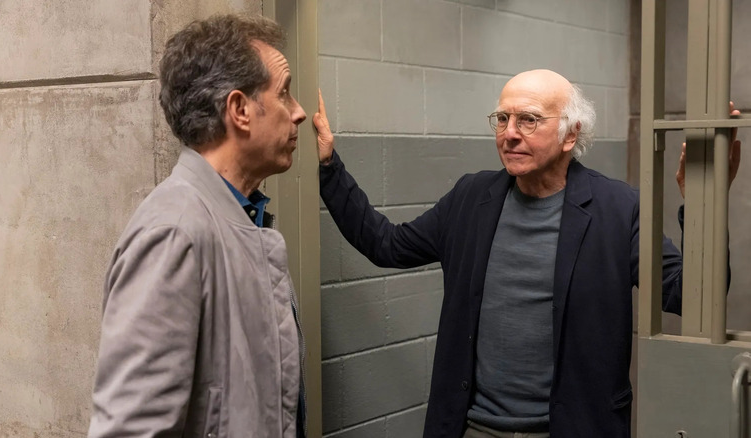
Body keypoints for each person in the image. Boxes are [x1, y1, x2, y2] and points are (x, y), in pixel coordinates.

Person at [311, 70, 740, 438]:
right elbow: (387, 244)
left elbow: (690, 297)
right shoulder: (471, 197)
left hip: (573, 428)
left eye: (529, 120)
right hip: (473, 427)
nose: (510, 132)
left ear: (571, 134)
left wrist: (704, 203)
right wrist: (330, 164)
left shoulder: (619, 209)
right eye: (503, 118)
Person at [88, 14, 308, 438]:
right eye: (284, 93)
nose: (298, 112)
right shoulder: (174, 232)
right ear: (240, 110)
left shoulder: (240, 217)